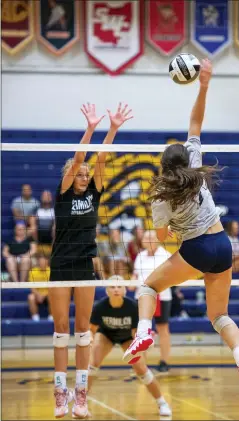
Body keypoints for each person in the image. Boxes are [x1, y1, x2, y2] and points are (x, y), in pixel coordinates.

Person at [123, 59, 239, 395]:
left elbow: (160, 237)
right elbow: (195, 121)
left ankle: (143, 333)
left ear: (163, 166)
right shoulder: (196, 165)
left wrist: (167, 230)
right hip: (222, 244)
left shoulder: (160, 195)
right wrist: (204, 83)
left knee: (147, 288)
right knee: (219, 316)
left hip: (196, 249)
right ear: (185, 159)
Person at [48, 102, 133, 419]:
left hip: (85, 265)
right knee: (60, 331)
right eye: (79, 174)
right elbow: (82, 157)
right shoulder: (64, 193)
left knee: (83, 331)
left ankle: (80, 396)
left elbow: (99, 159)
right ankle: (60, 395)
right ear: (70, 177)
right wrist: (91, 127)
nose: (84, 176)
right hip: (60, 267)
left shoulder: (93, 194)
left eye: (86, 175)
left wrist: (113, 128)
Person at [88, 278, 172, 417]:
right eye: (112, 287)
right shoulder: (99, 307)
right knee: (91, 366)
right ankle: (82, 403)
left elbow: (135, 334)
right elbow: (91, 329)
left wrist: (142, 347)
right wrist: (90, 338)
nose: (116, 289)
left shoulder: (132, 306)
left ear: (124, 290)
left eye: (119, 286)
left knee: (141, 369)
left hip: (127, 337)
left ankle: (162, 403)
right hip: (106, 335)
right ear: (107, 291)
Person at [132, 230, 172, 372]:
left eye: (151, 237)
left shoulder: (166, 255)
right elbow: (135, 276)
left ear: (157, 240)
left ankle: (164, 362)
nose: (147, 240)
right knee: (140, 330)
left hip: (162, 296)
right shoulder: (140, 256)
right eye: (145, 237)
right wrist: (130, 283)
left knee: (163, 329)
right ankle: (142, 364)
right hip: (141, 297)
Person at [28, 255, 52, 321]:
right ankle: (35, 318)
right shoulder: (32, 272)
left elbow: (53, 287)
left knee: (52, 296)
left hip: (48, 294)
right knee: (31, 297)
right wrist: (38, 294)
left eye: (43, 261)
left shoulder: (51, 271)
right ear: (38, 262)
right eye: (40, 261)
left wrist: (45, 295)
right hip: (37, 294)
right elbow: (32, 287)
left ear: (47, 262)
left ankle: (51, 317)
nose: (42, 263)